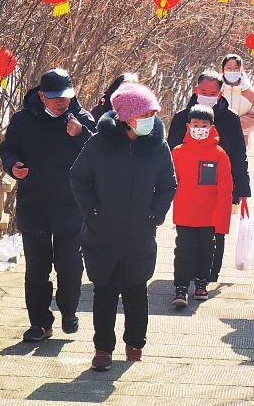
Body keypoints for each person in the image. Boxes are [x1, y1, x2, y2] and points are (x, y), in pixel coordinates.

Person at [70, 82, 176, 371]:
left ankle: (135, 344)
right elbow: (79, 177)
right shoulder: (100, 142)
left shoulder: (157, 144)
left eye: (153, 113)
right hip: (102, 230)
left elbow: (168, 183)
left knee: (136, 290)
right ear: (126, 117)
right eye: (145, 114)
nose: (151, 120)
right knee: (104, 291)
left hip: (140, 232)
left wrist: (156, 214)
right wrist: (91, 212)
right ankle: (103, 349)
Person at [0, 68, 97, 342]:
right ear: (41, 96)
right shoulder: (23, 120)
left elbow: (100, 156)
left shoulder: (83, 119)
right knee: (36, 270)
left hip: (71, 206)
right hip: (34, 204)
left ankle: (68, 311)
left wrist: (80, 134)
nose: (61, 103)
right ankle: (40, 323)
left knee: (70, 266)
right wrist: (12, 165)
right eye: (54, 98)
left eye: (65, 97)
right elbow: (8, 148)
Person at [167, 69, 250, 282]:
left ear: (220, 95)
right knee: (187, 235)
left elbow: (239, 154)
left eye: (213, 93)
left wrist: (242, 189)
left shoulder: (230, 120)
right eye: (203, 91)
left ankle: (210, 274)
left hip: (219, 186)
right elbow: (169, 155)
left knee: (215, 232)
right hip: (188, 189)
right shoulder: (181, 118)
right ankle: (188, 274)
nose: (208, 96)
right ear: (196, 91)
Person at [169, 105, 234, 307]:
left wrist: (222, 223)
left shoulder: (219, 154)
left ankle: (201, 283)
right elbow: (169, 183)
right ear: (188, 126)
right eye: (196, 125)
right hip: (185, 214)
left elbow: (225, 190)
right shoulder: (178, 152)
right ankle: (180, 288)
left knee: (206, 250)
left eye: (204, 125)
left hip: (209, 216)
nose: (199, 128)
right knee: (183, 250)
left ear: (211, 127)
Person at [220, 54, 254, 145]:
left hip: (240, 143)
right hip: (215, 143)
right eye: (229, 68)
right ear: (222, 70)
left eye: (236, 68)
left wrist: (234, 124)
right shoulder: (215, 90)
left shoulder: (250, 93)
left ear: (241, 70)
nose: (232, 71)